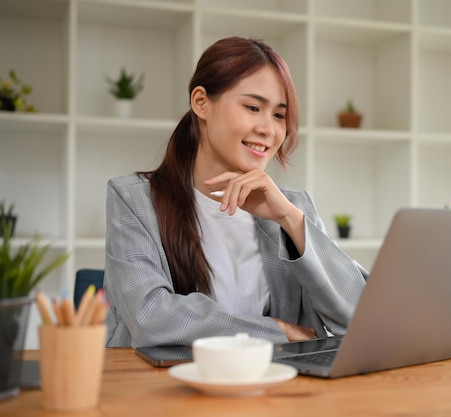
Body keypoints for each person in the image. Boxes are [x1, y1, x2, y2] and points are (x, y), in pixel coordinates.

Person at [104, 37, 368, 348]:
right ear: (201, 102)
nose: (268, 129)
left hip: (278, 386)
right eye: (253, 107)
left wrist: (290, 219)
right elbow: (150, 317)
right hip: (166, 389)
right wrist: (275, 331)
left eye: (279, 115)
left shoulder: (292, 208)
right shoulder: (135, 200)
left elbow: (361, 318)